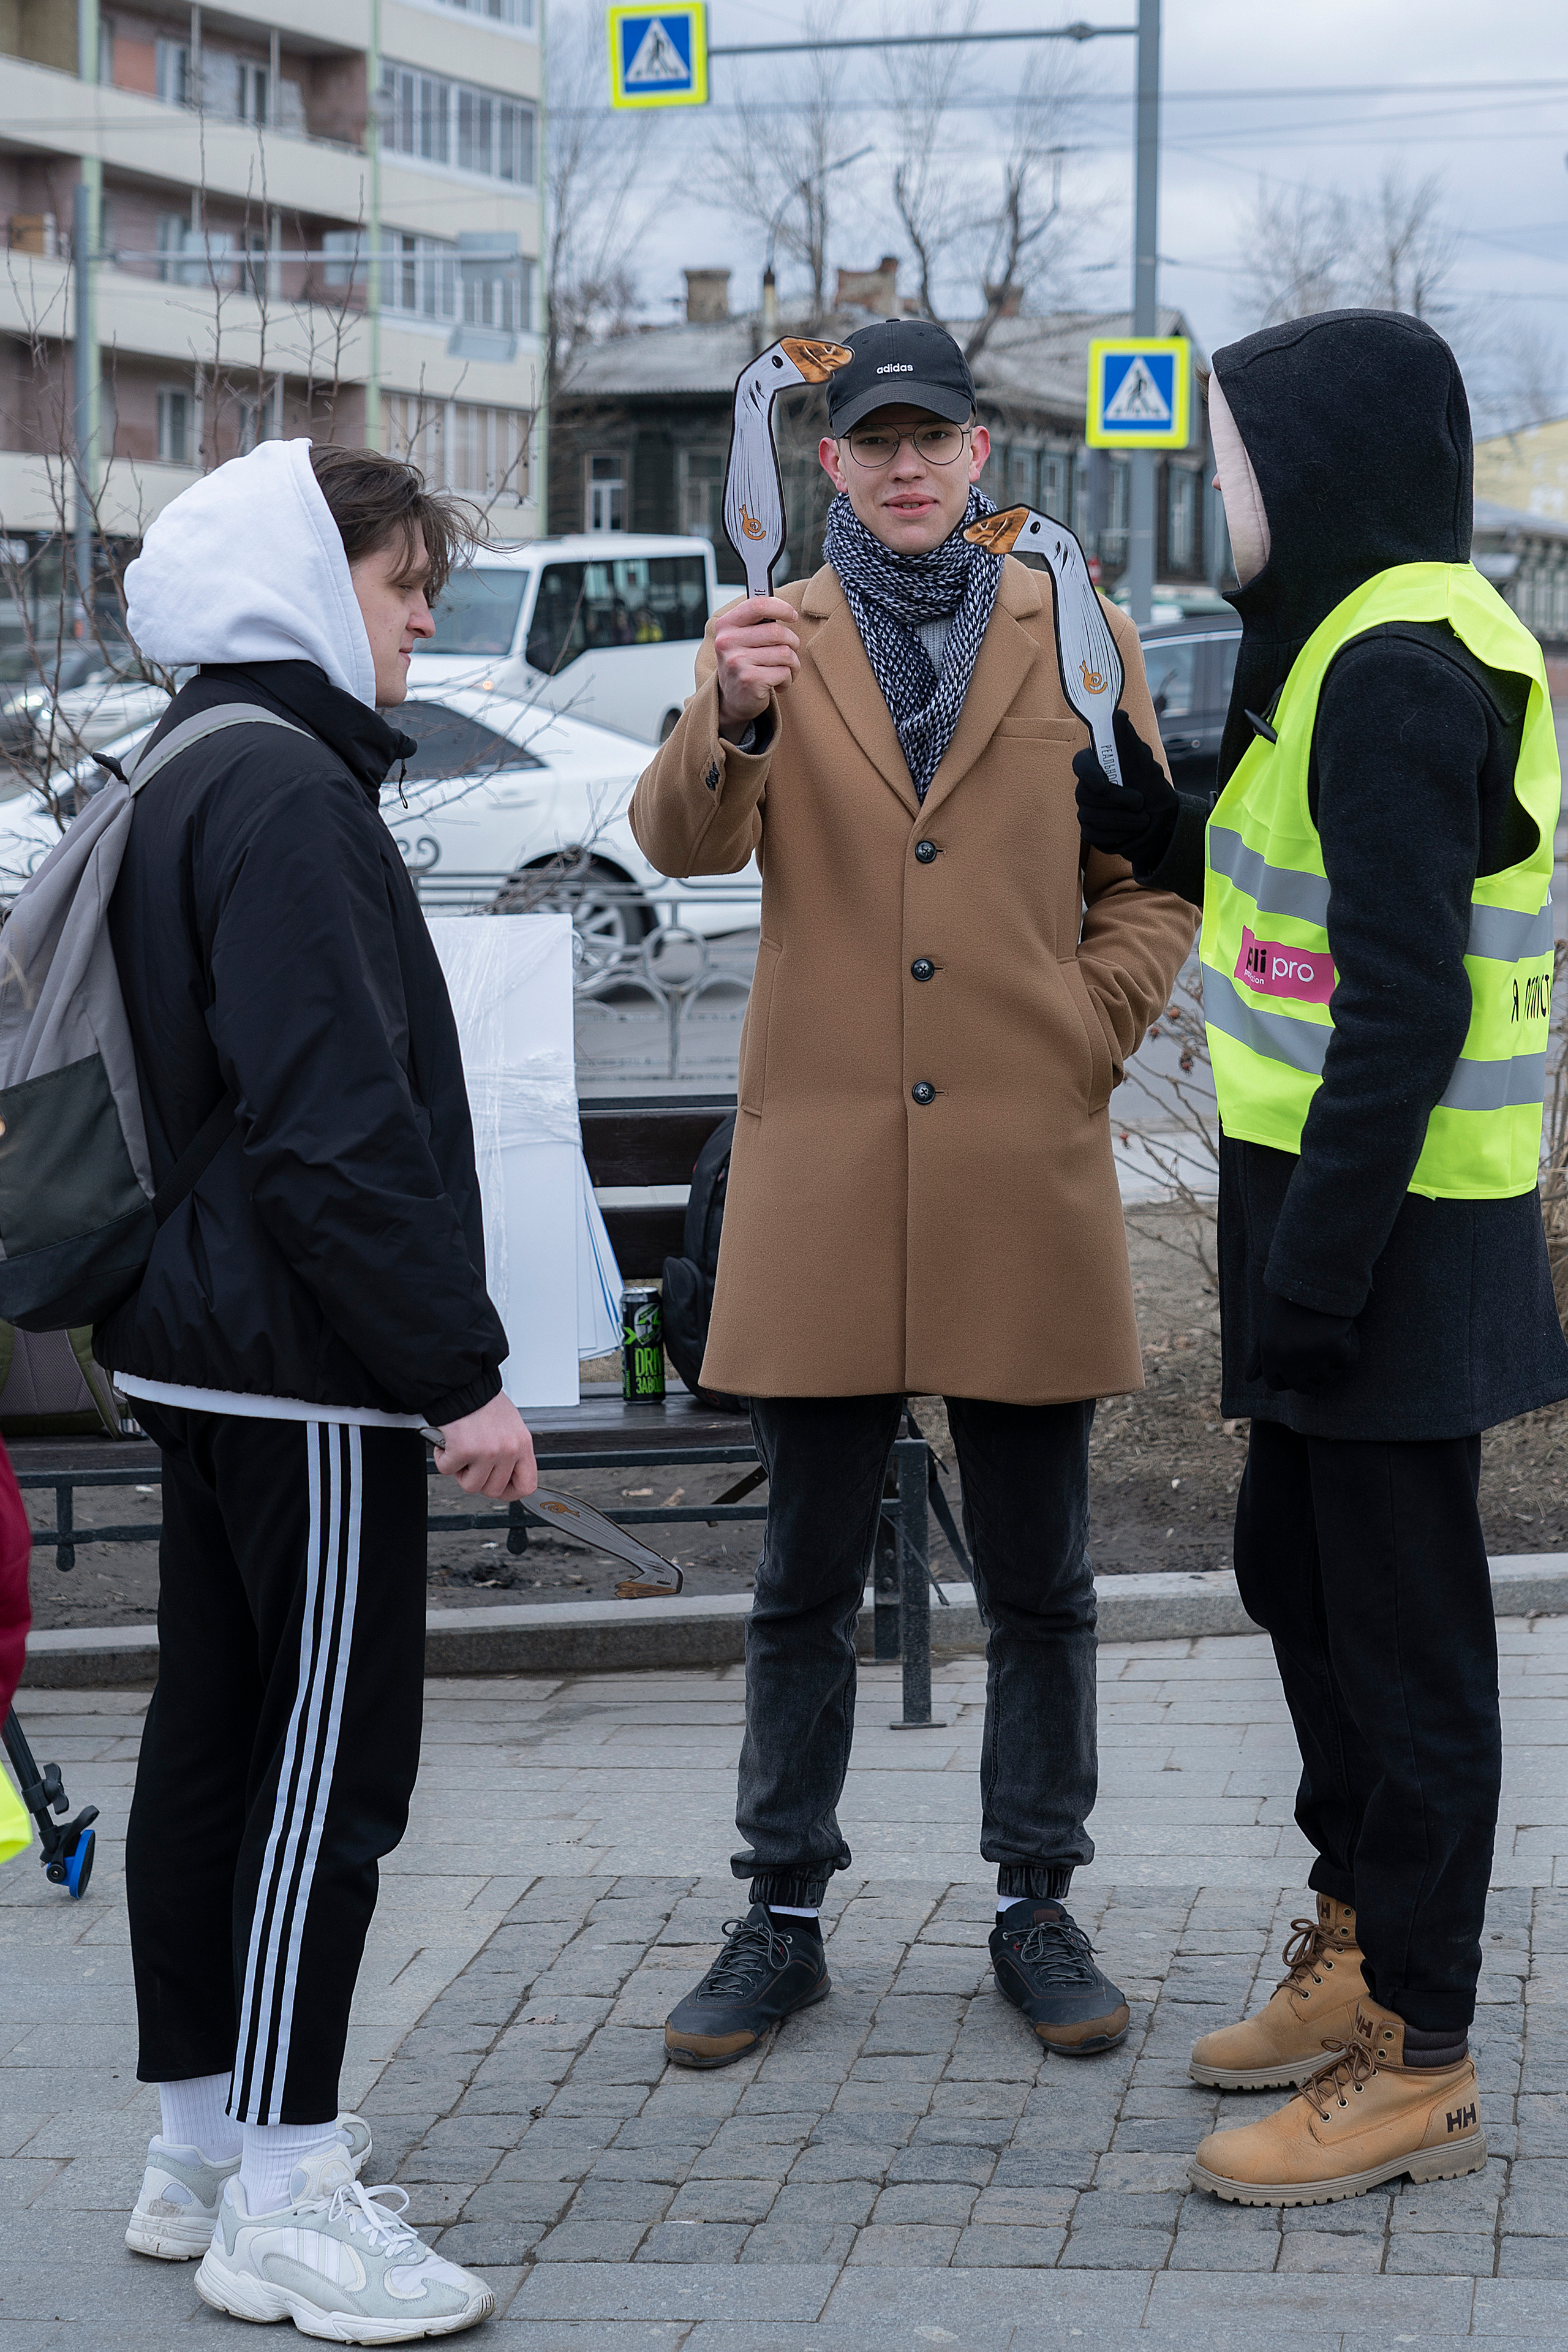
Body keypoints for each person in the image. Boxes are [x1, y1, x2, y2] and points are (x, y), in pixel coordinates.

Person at [631, 317, 1196, 2069]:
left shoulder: (1077, 627)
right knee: (801, 1579)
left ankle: (1038, 1898)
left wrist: (1085, 1030)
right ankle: (781, 1912)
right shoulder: (769, 636)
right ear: (828, 463)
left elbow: (1153, 875)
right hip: (827, 1178)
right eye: (872, 441)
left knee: (1043, 1581)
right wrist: (725, 715)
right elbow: (680, 844)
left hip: (1019, 1165)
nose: (902, 466)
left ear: (975, 457)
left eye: (929, 439)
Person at [1075, 309, 1568, 2204]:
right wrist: (1138, 796)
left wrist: (1322, 1274)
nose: (1216, 489)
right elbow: (1272, 883)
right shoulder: (1341, 641)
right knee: (1296, 1573)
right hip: (1335, 1212)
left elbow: (1406, 1010)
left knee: (1411, 1647)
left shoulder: (1402, 669)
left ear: (1326, 465)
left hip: (1392, 1230)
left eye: (1233, 456)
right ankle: (1356, 1933)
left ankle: (1417, 2057)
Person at [107, 437, 535, 2337]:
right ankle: (287, 2189)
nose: (423, 620)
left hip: (204, 1347)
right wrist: (458, 1375)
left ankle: (201, 2147)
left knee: (212, 1747)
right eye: (399, 584)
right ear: (303, 578)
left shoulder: (192, 758)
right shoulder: (286, 788)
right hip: (306, 1365)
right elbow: (333, 1125)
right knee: (325, 1777)